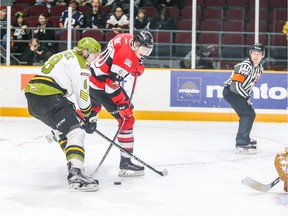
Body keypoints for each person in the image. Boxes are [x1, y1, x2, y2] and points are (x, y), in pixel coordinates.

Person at [24, 37, 101, 191]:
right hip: (49, 97)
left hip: (33, 99)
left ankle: (74, 164)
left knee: (63, 132)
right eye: (93, 55)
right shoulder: (80, 63)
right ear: (85, 52)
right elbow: (83, 94)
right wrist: (88, 116)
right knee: (76, 133)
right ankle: (75, 175)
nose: (93, 60)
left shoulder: (65, 54)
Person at [88, 30, 154, 177]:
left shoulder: (126, 38)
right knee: (127, 120)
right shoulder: (127, 57)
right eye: (144, 50)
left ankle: (61, 130)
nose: (145, 53)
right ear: (136, 44)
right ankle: (126, 165)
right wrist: (123, 104)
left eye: (148, 51)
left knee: (88, 113)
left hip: (92, 80)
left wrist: (136, 64)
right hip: (101, 85)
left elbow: (115, 60)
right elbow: (111, 86)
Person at [222, 43, 265, 154]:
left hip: (240, 93)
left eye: (258, 54)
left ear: (263, 55)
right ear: (250, 54)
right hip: (231, 92)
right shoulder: (244, 66)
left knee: (250, 113)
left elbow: (250, 85)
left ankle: (244, 139)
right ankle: (241, 142)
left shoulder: (259, 69)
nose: (256, 56)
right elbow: (235, 86)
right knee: (247, 113)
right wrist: (246, 97)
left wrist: (247, 97)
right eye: (254, 53)